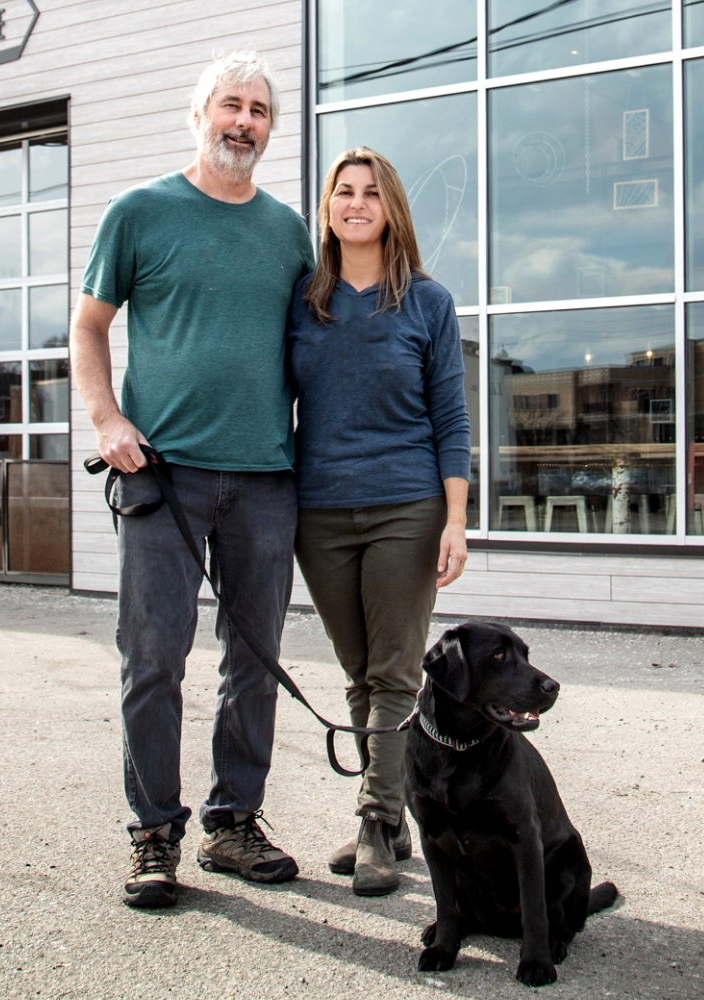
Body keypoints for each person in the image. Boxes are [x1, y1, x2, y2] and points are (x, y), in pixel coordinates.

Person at [70, 52, 315, 908]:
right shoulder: (139, 212)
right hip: (160, 478)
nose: (243, 122)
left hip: (265, 482)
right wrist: (108, 420)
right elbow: (89, 327)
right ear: (199, 114)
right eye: (230, 106)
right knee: (153, 659)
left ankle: (233, 824)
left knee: (254, 658)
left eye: (259, 111)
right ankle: (153, 833)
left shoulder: (288, 233)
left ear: (269, 129)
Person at [288, 147, 471, 897]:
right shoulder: (303, 300)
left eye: (370, 192)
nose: (356, 203)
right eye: (343, 192)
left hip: (407, 504)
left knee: (395, 672)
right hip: (320, 510)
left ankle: (372, 821)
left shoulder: (428, 302)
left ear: (391, 207)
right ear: (328, 209)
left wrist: (456, 519)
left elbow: (452, 418)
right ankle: (390, 821)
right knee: (358, 674)